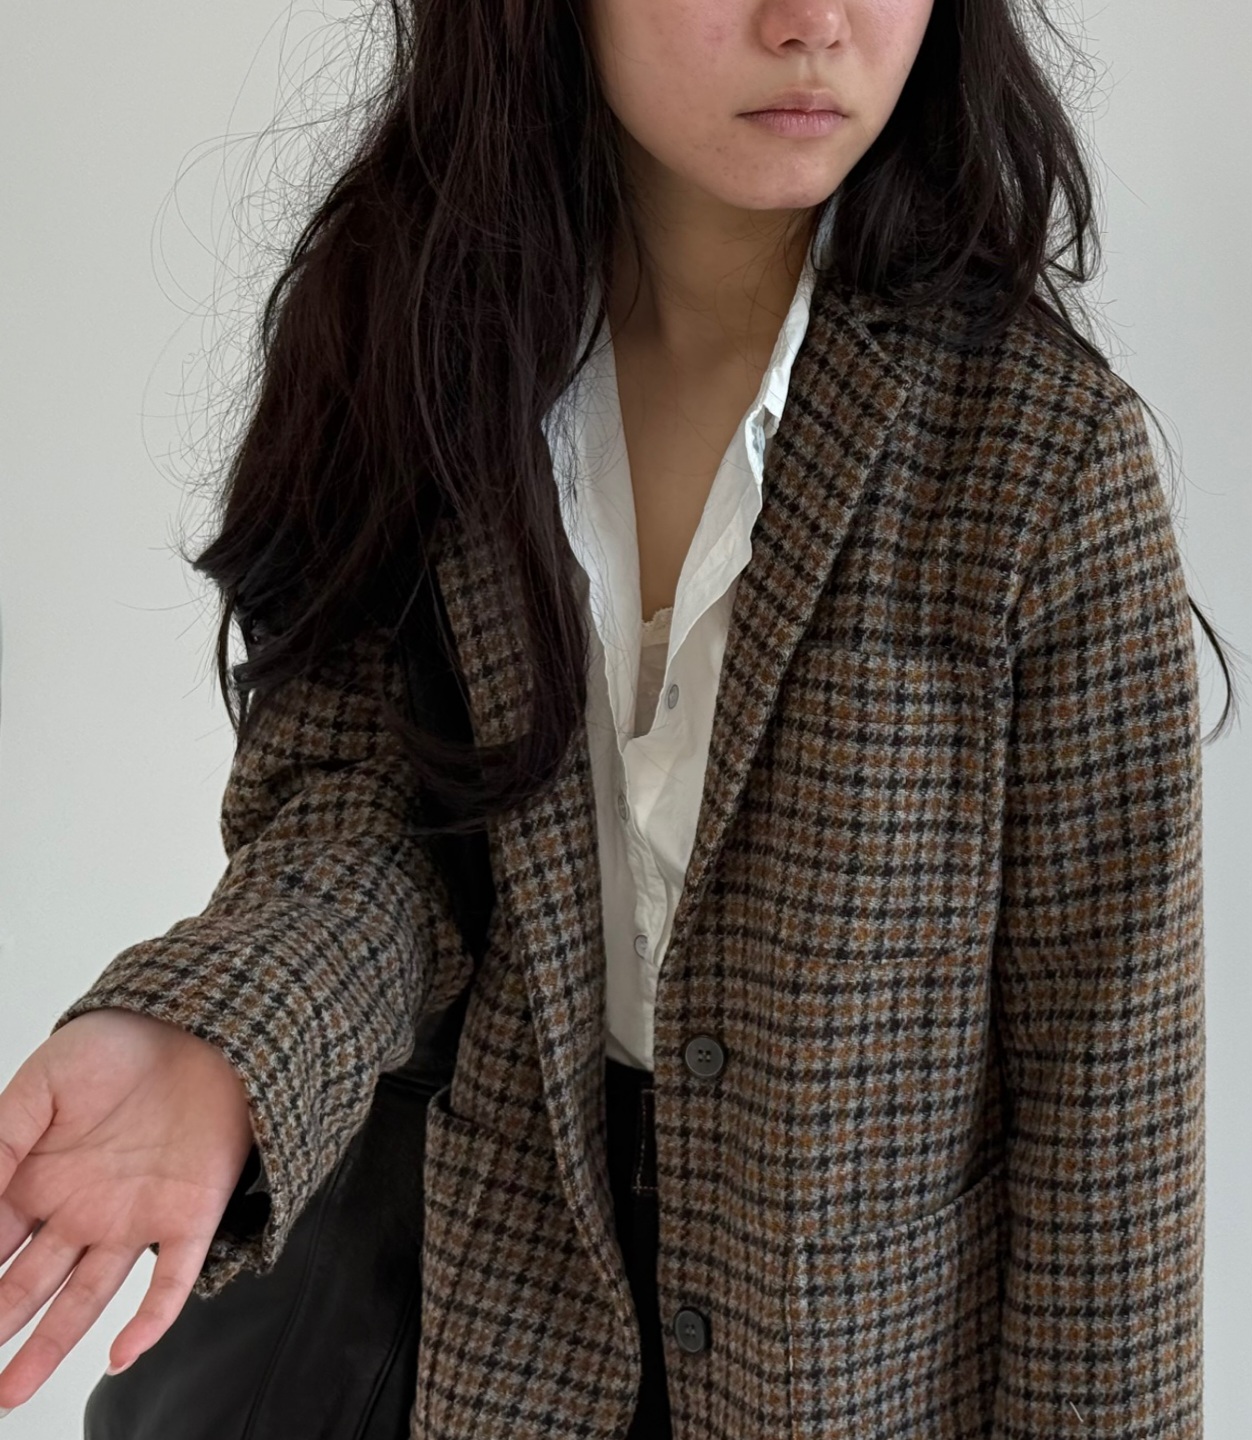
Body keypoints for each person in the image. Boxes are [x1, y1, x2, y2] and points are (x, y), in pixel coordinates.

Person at [0, 0, 1230, 1434]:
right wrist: (228, 1036)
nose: (814, 22)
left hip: (843, 1374)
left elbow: (1108, 1123)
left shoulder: (1042, 459)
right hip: (484, 1322)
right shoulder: (418, 346)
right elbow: (361, 818)